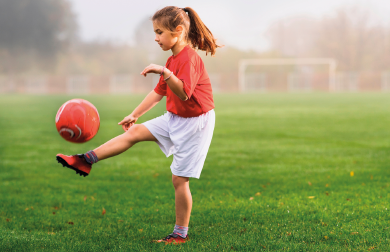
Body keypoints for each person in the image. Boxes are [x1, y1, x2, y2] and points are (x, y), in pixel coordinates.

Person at [56, 6, 221, 245]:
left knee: (179, 180)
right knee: (133, 133)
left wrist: (164, 71)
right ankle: (85, 160)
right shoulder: (172, 59)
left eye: (159, 32)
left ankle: (179, 235)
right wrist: (134, 114)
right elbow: (158, 93)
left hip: (196, 124)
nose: (155, 38)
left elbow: (184, 93)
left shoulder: (188, 59)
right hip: (175, 117)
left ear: (177, 31)